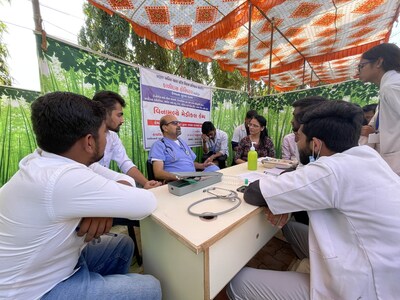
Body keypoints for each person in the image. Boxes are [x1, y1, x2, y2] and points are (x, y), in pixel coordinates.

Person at [227, 100, 400, 299]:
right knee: (290, 228)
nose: (296, 141)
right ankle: (304, 270)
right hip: (384, 269)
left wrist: (281, 195)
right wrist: (286, 196)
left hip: (362, 288)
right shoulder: (369, 156)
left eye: (299, 138)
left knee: (237, 283)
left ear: (316, 144)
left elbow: (253, 193)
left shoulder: (330, 170)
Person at [0, 92, 161, 299]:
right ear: (89, 142)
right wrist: (105, 202)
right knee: (151, 287)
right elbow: (146, 202)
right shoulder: (63, 178)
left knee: (122, 245)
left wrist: (101, 206)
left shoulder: (45, 158)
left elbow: (126, 180)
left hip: (55, 262)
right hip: (33, 290)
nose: (107, 138)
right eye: (103, 132)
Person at [93, 91, 161, 189]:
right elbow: (91, 168)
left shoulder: (113, 137)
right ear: (104, 113)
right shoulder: (84, 135)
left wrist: (146, 183)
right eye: (119, 115)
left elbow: (125, 163)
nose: (122, 120)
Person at [358, 43, 400, 175]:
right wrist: (373, 133)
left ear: (379, 62)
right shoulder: (388, 85)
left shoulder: (392, 86)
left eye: (361, 66)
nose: (358, 71)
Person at [148, 114, 219, 182]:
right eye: (175, 123)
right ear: (165, 128)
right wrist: (179, 178)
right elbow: (158, 173)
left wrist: (203, 165)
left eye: (179, 123)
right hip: (178, 181)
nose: (179, 125)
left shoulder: (182, 142)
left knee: (214, 168)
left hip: (193, 178)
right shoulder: (159, 145)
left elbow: (190, 163)